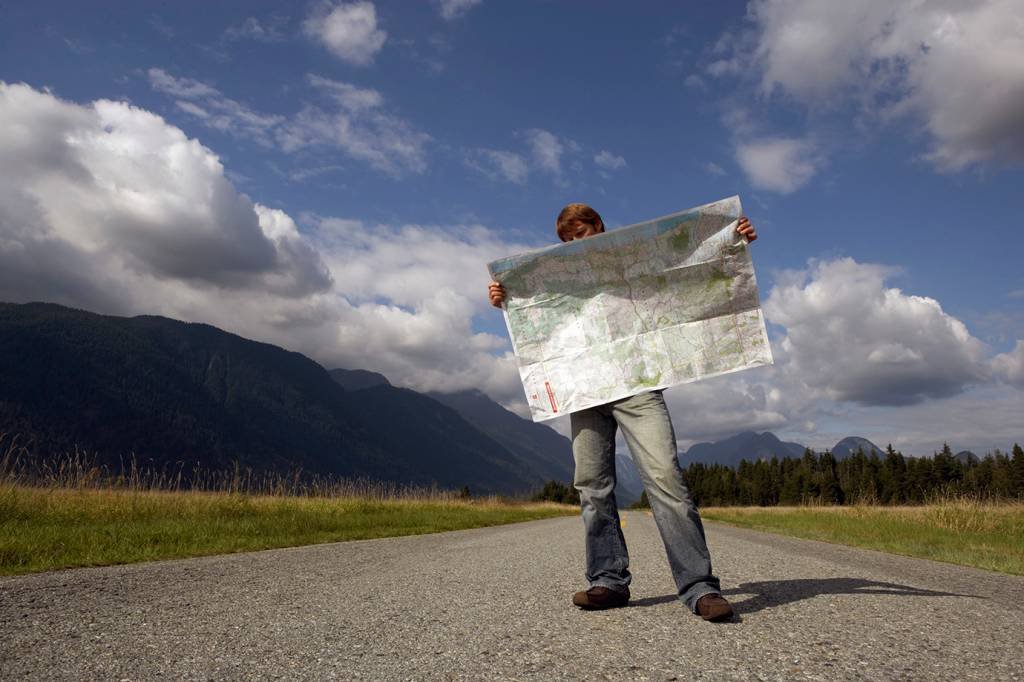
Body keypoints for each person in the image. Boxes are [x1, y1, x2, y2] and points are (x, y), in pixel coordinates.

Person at [487, 203, 757, 623]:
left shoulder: (631, 258)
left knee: (665, 478)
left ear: (599, 227)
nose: (576, 243)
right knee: (592, 484)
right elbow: (541, 316)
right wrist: (507, 300)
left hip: (636, 384)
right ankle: (608, 582)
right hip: (585, 390)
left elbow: (679, 271)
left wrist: (729, 240)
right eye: (568, 239)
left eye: (582, 232)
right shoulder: (562, 278)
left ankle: (700, 587)